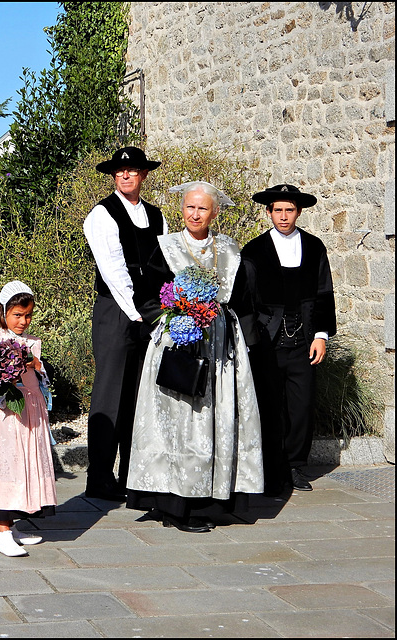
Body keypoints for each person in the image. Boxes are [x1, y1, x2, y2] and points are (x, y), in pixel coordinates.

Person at [125, 181, 264, 533]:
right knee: (177, 421)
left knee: (212, 420)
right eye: (189, 207)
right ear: (181, 210)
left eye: (202, 208)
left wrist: (243, 340)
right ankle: (173, 504)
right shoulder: (167, 247)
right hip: (177, 343)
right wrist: (177, 312)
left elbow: (244, 301)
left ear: (214, 212)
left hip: (219, 347)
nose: (195, 214)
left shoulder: (230, 250)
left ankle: (207, 500)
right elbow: (147, 296)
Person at [240, 184, 337, 495]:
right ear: (269, 212)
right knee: (268, 406)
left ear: (299, 212)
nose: (283, 216)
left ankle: (295, 465)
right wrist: (251, 338)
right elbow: (245, 300)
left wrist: (321, 335)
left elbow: (324, 293)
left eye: (289, 210)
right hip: (266, 341)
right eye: (278, 210)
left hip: (304, 339)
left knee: (301, 406)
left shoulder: (314, 247)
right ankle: (270, 470)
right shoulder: (254, 250)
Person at [83, 146, 167, 502]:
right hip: (117, 312)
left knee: (140, 395)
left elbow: (164, 263)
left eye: (132, 170)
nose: (125, 176)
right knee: (110, 394)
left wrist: (164, 309)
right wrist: (137, 312)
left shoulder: (156, 215)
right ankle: (100, 478)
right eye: (119, 172)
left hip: (149, 312)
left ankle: (134, 475)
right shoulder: (101, 215)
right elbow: (114, 271)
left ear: (143, 175)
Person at [0, 281, 57, 557]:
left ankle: (13, 525)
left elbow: (46, 377)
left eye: (28, 315)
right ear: (3, 312)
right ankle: (2, 532)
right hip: (8, 418)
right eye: (17, 315)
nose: (23, 321)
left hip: (31, 413)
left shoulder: (32, 343)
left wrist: (38, 366)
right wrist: (5, 390)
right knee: (7, 467)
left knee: (24, 468)